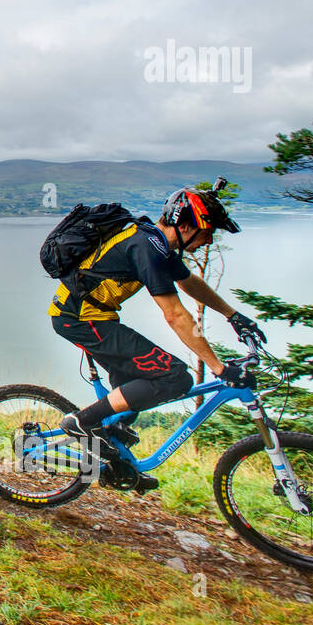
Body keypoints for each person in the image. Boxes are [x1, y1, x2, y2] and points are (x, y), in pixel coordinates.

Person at [48, 184, 266, 488]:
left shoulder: (156, 242)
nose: (209, 240)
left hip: (94, 318)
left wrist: (233, 315)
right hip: (80, 320)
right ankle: (82, 423)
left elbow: (190, 283)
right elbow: (175, 314)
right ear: (186, 224)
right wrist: (218, 367)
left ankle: (118, 464)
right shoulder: (147, 246)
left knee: (135, 388)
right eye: (207, 231)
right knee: (175, 378)